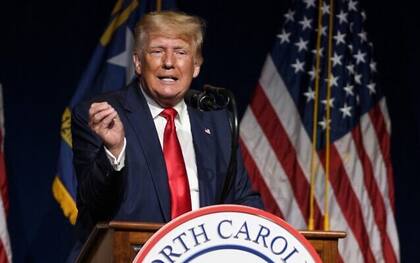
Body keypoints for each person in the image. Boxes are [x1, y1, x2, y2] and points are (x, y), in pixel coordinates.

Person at [69, 10, 263, 259]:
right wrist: (114, 151)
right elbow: (93, 207)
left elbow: (242, 198)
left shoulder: (217, 122)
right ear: (138, 62)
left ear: (196, 66)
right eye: (157, 51)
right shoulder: (103, 116)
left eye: (181, 52)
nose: (169, 62)